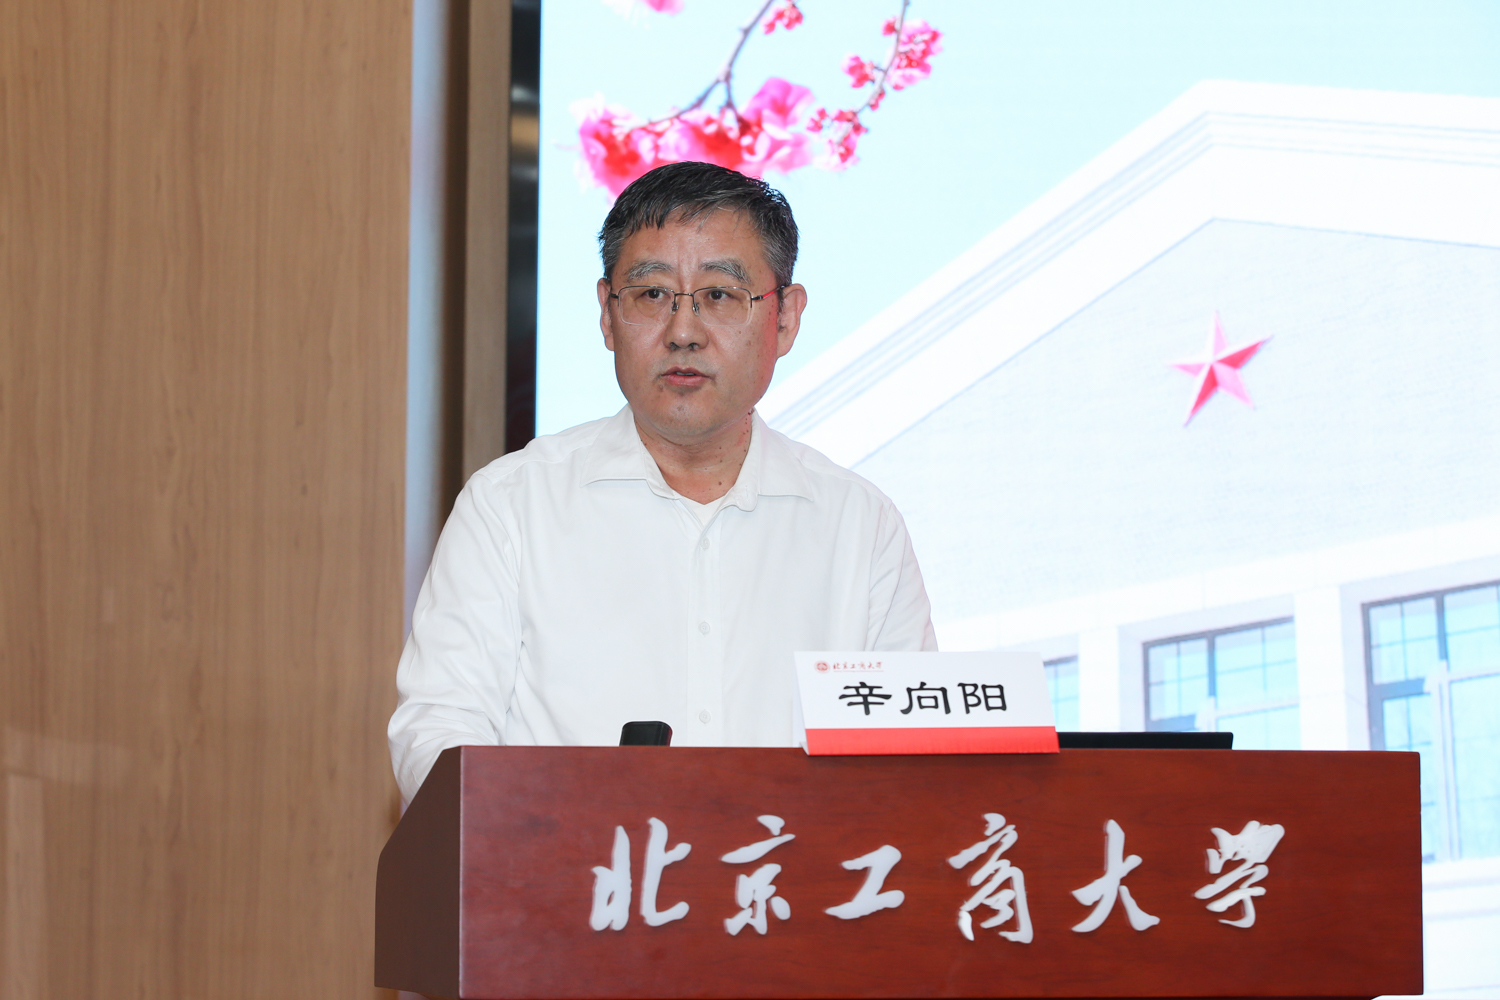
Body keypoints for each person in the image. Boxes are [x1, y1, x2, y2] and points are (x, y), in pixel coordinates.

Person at [388, 161, 936, 802]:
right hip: (572, 866)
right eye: (651, 295)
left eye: (720, 295)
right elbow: (438, 735)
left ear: (785, 319)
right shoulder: (510, 508)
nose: (682, 332)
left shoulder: (860, 528)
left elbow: (913, 770)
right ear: (606, 313)